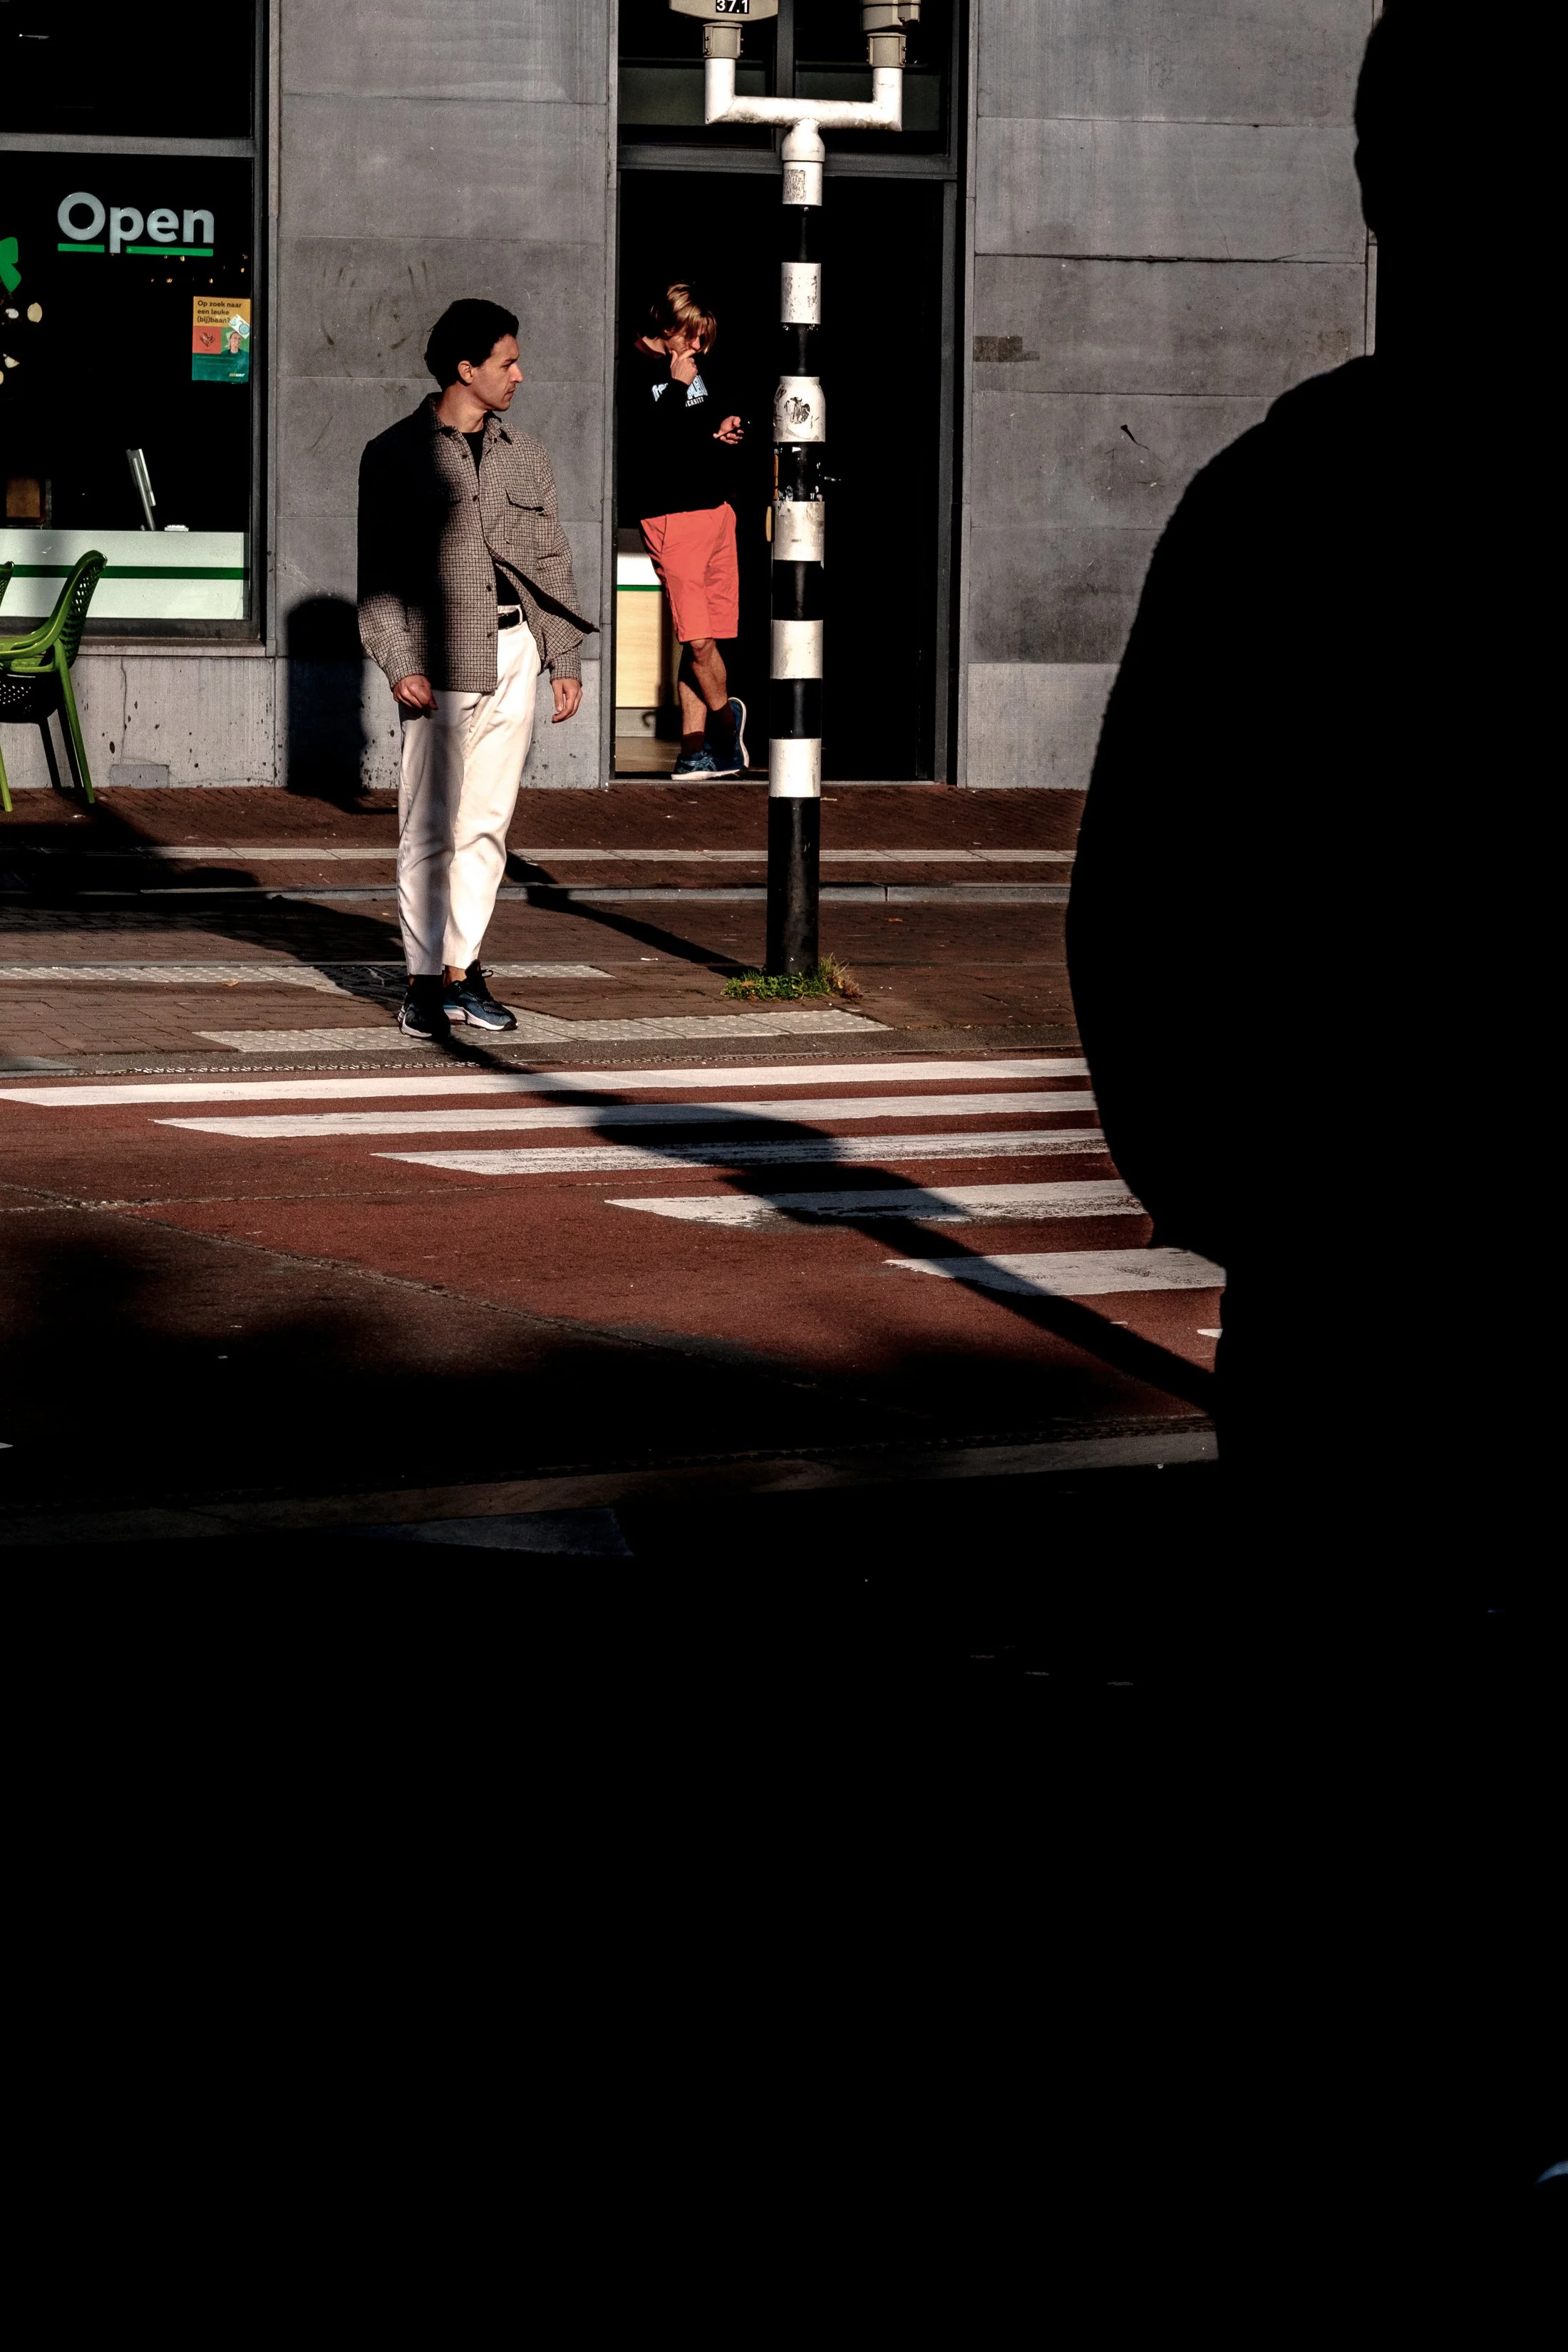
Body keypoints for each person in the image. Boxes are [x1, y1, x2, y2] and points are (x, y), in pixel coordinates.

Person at [358, 297, 595, 1040]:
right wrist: (398, 663)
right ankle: (423, 983)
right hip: (437, 656)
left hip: (516, 646)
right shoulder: (395, 453)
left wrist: (562, 655)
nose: (519, 375)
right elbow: (377, 576)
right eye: (506, 362)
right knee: (430, 828)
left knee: (488, 824)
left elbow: (550, 556)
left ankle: (464, 971)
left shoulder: (525, 452)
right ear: (467, 369)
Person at [623, 282, 748, 778]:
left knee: (710, 634)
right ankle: (726, 723)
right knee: (696, 639)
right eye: (692, 337)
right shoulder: (633, 368)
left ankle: (694, 750)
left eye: (704, 340)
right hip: (672, 517)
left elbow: (699, 429)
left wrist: (729, 428)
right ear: (667, 328)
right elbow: (650, 444)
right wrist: (676, 386)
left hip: (717, 511)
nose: (699, 349)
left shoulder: (694, 364)